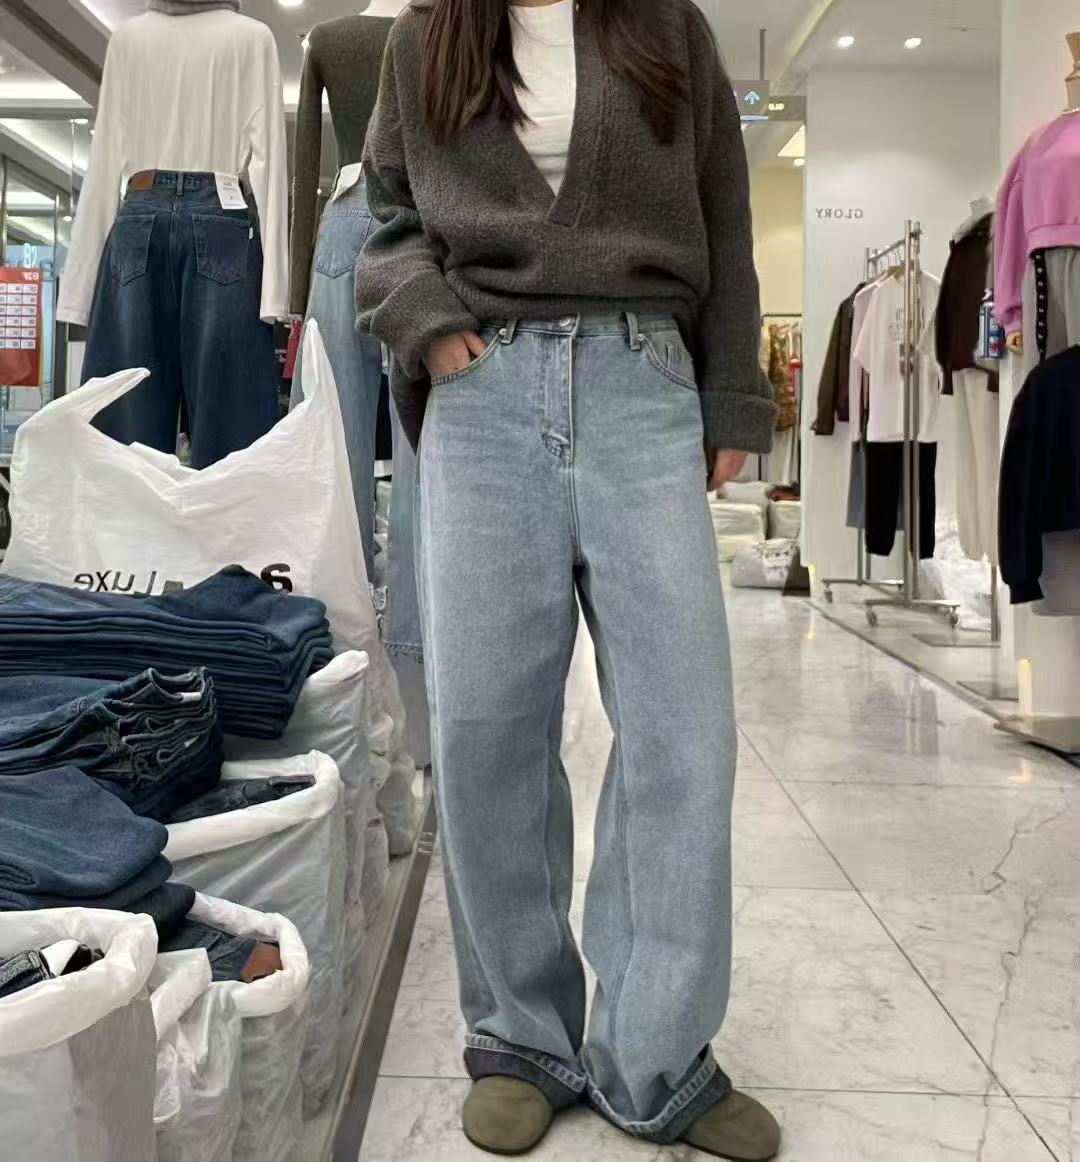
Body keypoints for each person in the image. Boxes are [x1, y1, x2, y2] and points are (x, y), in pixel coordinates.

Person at [357, 0, 780, 1157]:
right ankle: (520, 1037)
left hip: (646, 384)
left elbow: (725, 212)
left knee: (684, 727)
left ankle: (658, 1053)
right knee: (487, 728)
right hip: (484, 395)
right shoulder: (427, 37)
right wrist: (433, 327)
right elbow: (388, 222)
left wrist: (732, 392)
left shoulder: (667, 26)